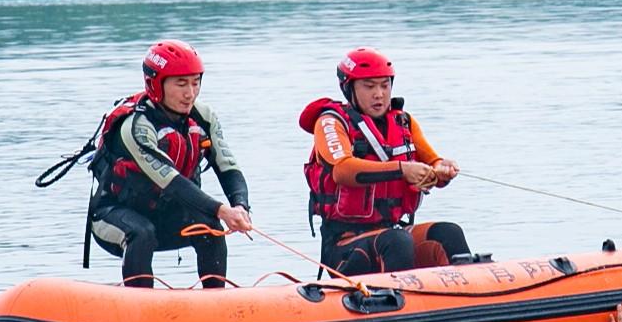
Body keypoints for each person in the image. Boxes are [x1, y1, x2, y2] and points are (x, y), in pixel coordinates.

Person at [84, 39, 254, 288]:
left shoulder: (204, 117)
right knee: (141, 233)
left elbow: (228, 168)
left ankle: (217, 305)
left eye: (196, 83)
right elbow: (172, 183)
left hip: (165, 216)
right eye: (181, 83)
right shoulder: (135, 127)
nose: (190, 93)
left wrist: (240, 206)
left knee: (209, 227)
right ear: (156, 84)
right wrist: (222, 209)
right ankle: (139, 309)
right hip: (111, 216)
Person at [298, 47, 475, 276]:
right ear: (348, 88)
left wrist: (442, 170)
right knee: (396, 241)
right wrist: (402, 170)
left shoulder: (404, 122)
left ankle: (471, 300)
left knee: (449, 233)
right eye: (369, 86)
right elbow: (342, 170)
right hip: (346, 247)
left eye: (384, 85)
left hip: (393, 233)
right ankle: (402, 307)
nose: (379, 94)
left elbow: (433, 161)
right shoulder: (330, 122)